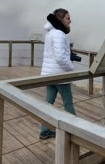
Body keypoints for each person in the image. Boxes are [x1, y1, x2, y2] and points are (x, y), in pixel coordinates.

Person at [39, 8, 77, 140]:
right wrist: (71, 67)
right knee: (68, 102)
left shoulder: (50, 33)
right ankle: (76, 131)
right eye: (67, 18)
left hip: (49, 74)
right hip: (60, 75)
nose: (70, 20)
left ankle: (44, 131)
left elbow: (53, 54)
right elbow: (60, 57)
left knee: (48, 103)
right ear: (61, 19)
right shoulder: (59, 34)